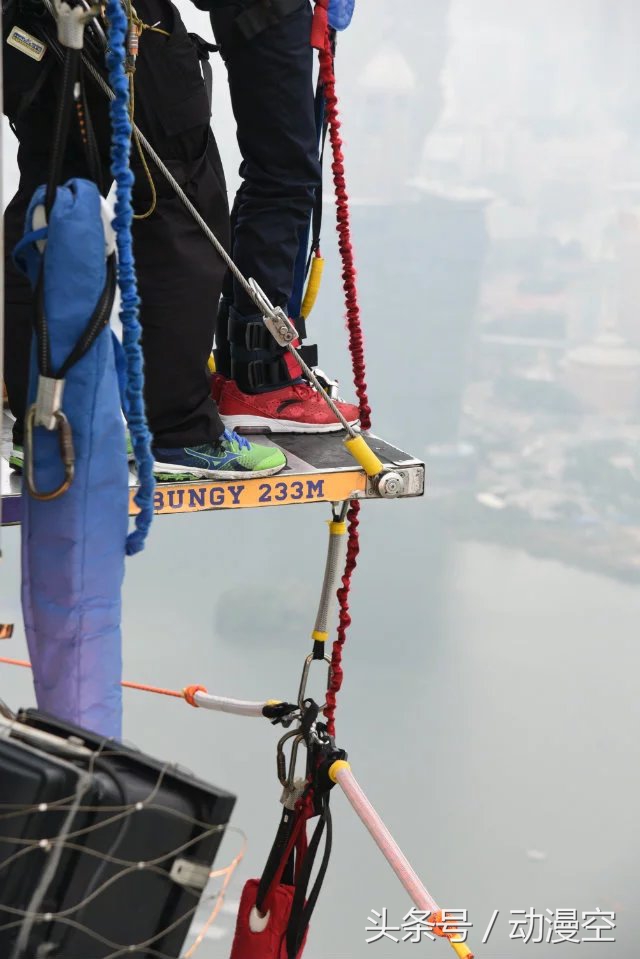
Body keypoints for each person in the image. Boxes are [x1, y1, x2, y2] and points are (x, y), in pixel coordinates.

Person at [2, 0, 286, 480]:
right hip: (126, 25)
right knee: (181, 207)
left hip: (34, 26)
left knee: (52, 200)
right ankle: (177, 432)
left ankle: (45, 421)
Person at [203, 0, 361, 433]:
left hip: (264, 11)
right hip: (268, 9)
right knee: (284, 177)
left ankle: (245, 371)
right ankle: (263, 385)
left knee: (275, 175)